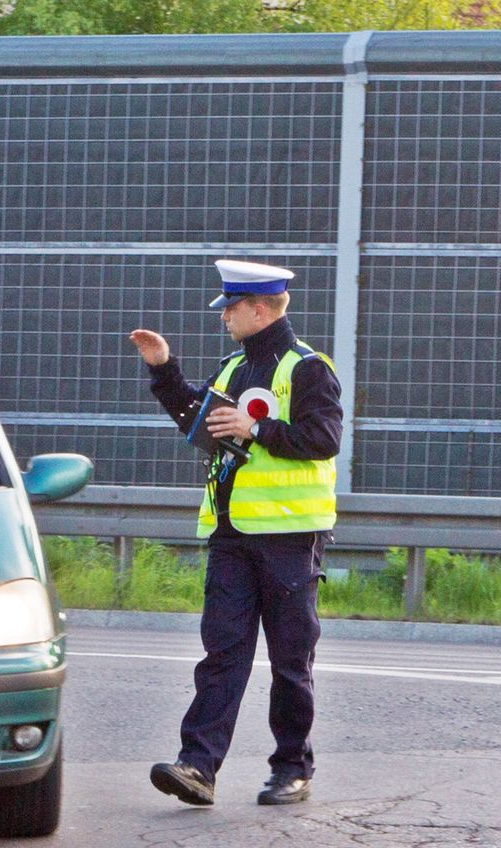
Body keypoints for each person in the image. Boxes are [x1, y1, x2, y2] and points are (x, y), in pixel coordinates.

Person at [128, 259, 343, 807]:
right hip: (231, 536)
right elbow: (196, 421)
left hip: (291, 539)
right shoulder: (230, 369)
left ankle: (292, 768)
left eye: (230, 308)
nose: (223, 317)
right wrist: (164, 369)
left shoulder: (307, 368)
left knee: (291, 661)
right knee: (221, 653)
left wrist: (258, 428)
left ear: (259, 308)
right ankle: (197, 767)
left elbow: (324, 438)